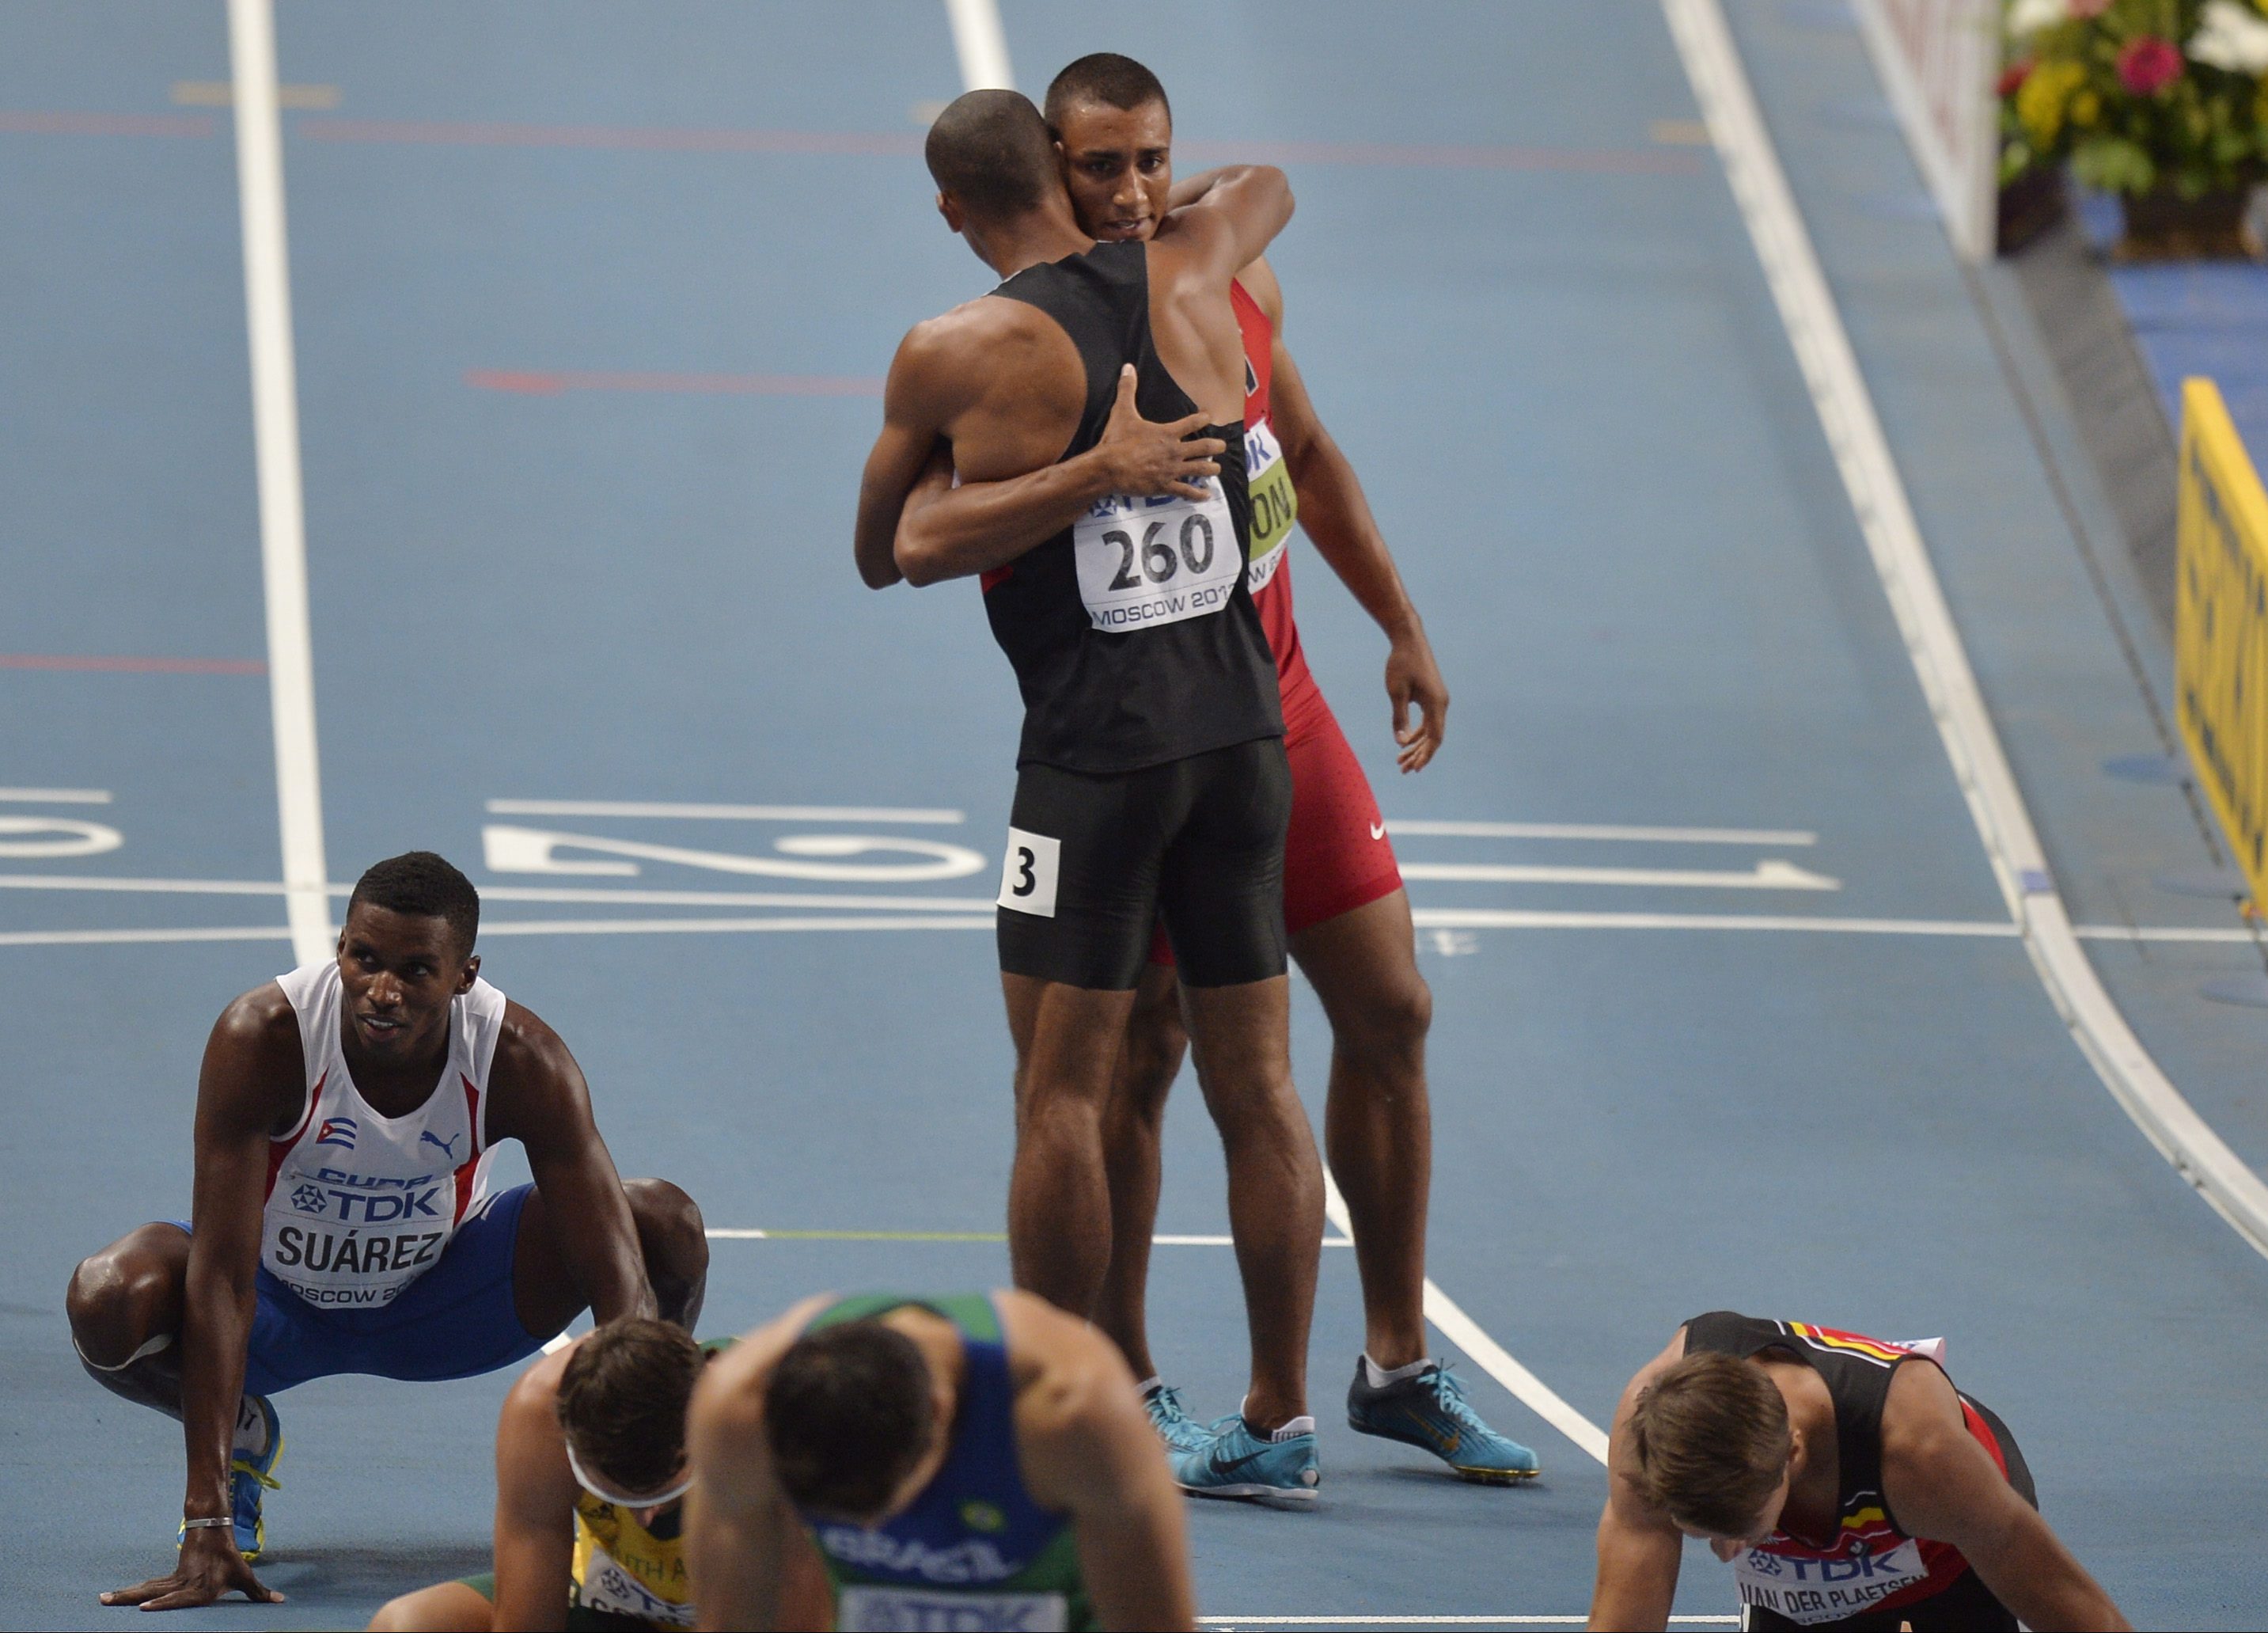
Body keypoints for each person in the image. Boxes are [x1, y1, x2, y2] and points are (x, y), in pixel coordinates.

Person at [891, 51, 1537, 1490]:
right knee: (1137, 1056)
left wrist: (1402, 625)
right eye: (1097, 167)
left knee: (1391, 1010)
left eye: (1150, 163)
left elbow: (1304, 448)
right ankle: (1122, 1373)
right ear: (1044, 170)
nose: (1129, 192)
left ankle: (1388, 1367)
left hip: (1276, 713)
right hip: (1143, 741)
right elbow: (916, 539)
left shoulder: (1222, 284)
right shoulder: (1017, 346)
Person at [850, 90, 1328, 1502]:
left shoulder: (957, 348)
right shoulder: (1199, 266)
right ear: (1068, 175)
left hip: (1095, 765)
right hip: (1243, 740)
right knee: (1259, 1085)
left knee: (1059, 1091)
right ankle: (1281, 1409)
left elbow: (890, 548)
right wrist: (1159, 207)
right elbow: (1269, 179)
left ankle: (1057, 1410)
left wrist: (1087, 473)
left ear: (951, 209)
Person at [67, 851, 708, 1612]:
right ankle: (239, 1435)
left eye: (415, 970)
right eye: (365, 959)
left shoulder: (519, 1057)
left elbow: (620, 1284)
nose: (382, 990)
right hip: (276, 1307)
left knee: (661, 1222)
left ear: (464, 975)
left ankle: (627, 1503)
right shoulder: (264, 1036)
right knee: (107, 1296)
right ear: (340, 946)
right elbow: (224, 1275)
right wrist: (204, 1516)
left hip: (441, 1306)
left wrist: (632, 1458)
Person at [683, 1289, 1196, 1631]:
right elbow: (735, 1621)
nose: (874, 1537)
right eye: (839, 1522)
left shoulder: (1076, 1416)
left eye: (884, 1507)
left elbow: (1153, 1622)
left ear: (940, 1412)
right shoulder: (738, 1414)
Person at [1590, 1312, 2130, 1631]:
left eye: (1743, 1531)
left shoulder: (1923, 1456)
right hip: (1803, 1576)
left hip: (1946, 1554)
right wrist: (1744, 1522)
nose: (1725, 1553)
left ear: (1793, 1454)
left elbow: (2076, 1610)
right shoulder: (1653, 1432)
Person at [369, 1319, 830, 1632]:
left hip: (759, 1611)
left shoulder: (778, 1428)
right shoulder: (540, 1416)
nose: (647, 1519)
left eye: (664, 1493)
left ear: (697, 1437)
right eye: (619, 1499)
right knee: (404, 1624)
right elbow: (527, 1622)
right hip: (610, 1604)